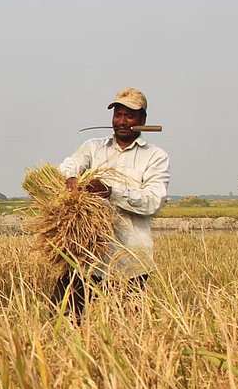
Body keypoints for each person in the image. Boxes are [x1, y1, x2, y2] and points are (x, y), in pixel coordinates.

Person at [54, 87, 170, 314]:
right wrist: (70, 177)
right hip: (87, 256)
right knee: (63, 317)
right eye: (118, 115)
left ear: (142, 120)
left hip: (131, 260)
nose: (122, 122)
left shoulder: (155, 156)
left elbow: (153, 201)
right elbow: (68, 165)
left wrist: (110, 192)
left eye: (130, 116)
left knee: (125, 324)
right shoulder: (93, 147)